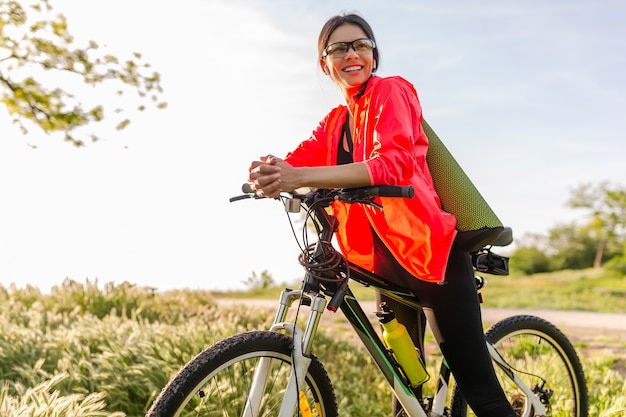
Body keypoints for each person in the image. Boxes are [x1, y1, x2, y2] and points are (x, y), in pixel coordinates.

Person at [248, 12, 517, 417]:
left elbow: (392, 164)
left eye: (361, 45)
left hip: (430, 261)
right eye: (339, 48)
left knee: (485, 398)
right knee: (406, 397)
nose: (352, 54)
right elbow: (298, 162)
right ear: (325, 63)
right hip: (380, 266)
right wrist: (268, 173)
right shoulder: (336, 121)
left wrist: (296, 175)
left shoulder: (393, 91)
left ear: (374, 56)